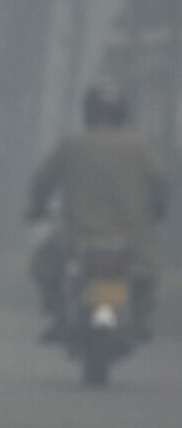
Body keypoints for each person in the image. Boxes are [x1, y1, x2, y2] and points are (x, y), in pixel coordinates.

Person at [28, 83, 168, 342]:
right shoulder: (139, 147)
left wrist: (36, 209)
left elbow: (43, 182)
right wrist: (158, 211)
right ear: (122, 113)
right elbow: (159, 186)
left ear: (88, 112)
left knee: (43, 265)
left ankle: (59, 317)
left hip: (78, 238)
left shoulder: (71, 144)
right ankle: (140, 321)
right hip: (131, 241)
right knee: (148, 274)